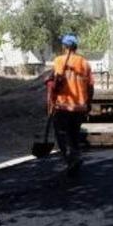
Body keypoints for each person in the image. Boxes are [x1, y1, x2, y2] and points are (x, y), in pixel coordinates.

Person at [49, 34, 94, 174]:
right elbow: (90, 87)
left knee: (62, 135)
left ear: (64, 46)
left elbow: (55, 82)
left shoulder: (58, 61)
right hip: (80, 107)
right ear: (76, 47)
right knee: (74, 134)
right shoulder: (85, 63)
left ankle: (71, 159)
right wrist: (89, 104)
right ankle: (76, 156)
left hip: (63, 106)